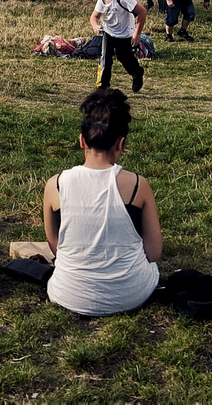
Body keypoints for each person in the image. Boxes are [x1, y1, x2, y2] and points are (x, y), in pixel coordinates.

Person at [44, 88, 163, 316]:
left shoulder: (55, 185)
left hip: (67, 293)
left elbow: (55, 246)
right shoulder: (138, 185)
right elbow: (154, 252)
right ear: (120, 143)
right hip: (132, 294)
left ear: (82, 141)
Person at [89, 0, 147, 92]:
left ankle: (137, 73)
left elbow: (142, 12)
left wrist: (137, 33)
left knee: (124, 57)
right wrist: (95, 26)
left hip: (124, 32)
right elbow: (94, 16)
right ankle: (103, 87)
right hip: (108, 31)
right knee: (105, 58)